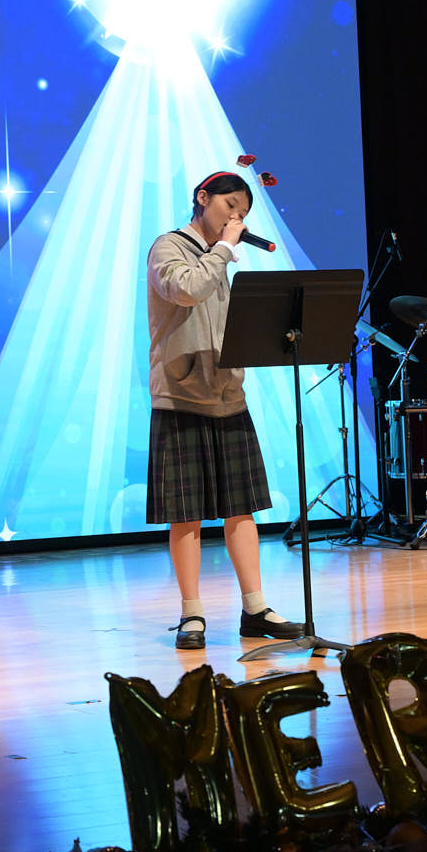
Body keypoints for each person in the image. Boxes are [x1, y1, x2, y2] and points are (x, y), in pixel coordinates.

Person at [146, 171, 300, 650]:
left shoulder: (220, 259)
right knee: (185, 513)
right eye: (230, 206)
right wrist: (226, 249)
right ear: (203, 198)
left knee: (241, 508)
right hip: (181, 395)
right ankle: (192, 614)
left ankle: (256, 608)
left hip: (227, 395)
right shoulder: (169, 247)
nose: (236, 217)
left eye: (243, 213)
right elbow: (186, 290)